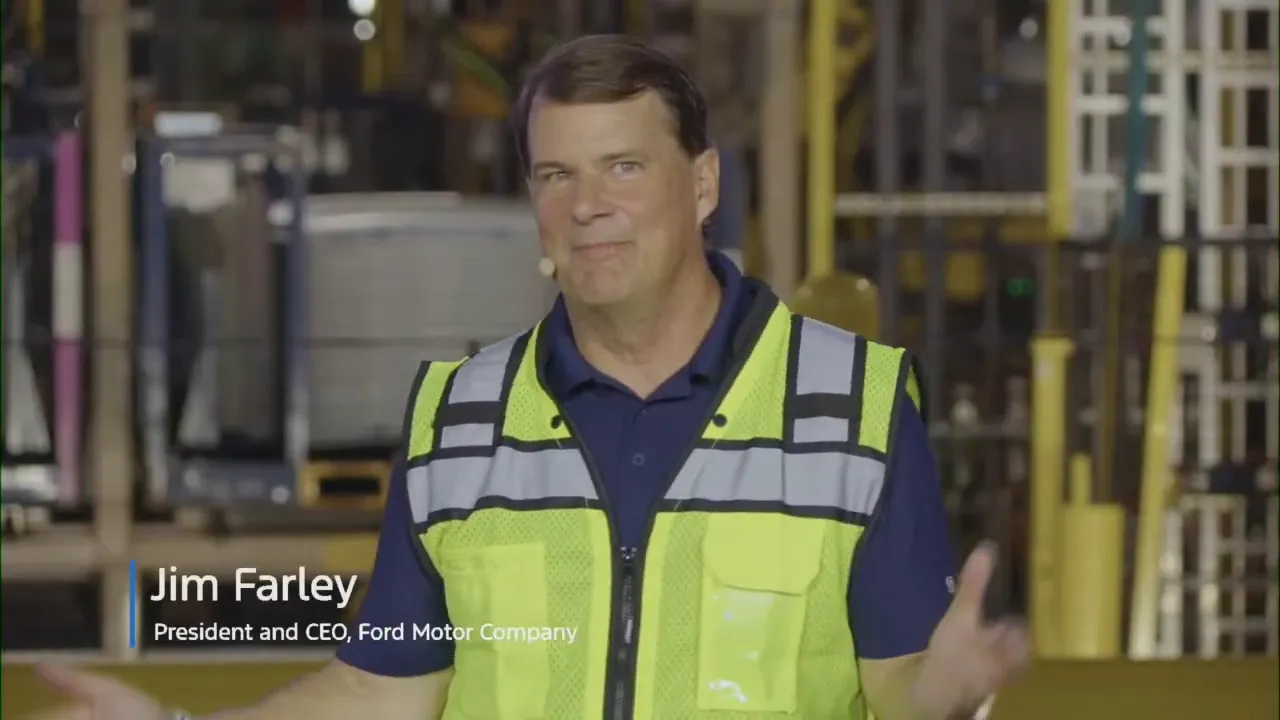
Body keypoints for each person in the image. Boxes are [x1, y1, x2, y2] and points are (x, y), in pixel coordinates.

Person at [33, 35, 1028, 720]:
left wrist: (939, 695)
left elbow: (897, 682)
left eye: (623, 168)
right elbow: (384, 690)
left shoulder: (846, 408)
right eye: (557, 176)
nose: (587, 205)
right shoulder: (459, 421)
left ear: (703, 184)